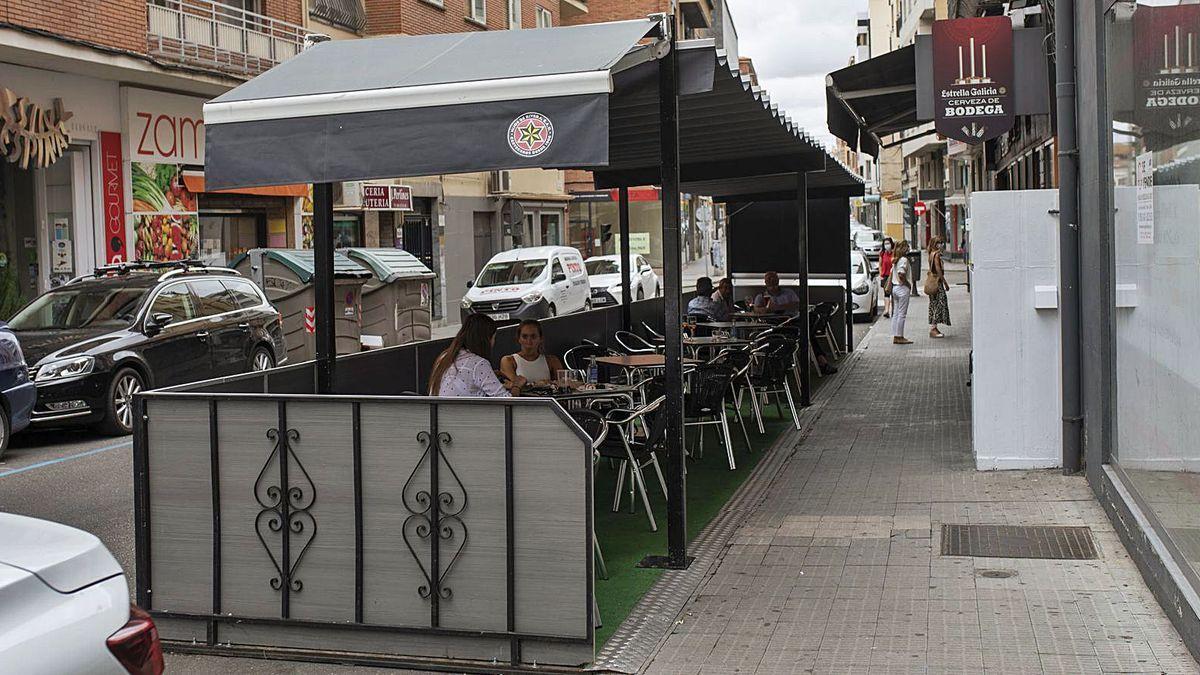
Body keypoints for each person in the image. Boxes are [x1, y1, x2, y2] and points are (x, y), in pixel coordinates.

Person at [428, 314, 518, 397]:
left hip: (439, 413)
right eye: (494, 338)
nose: (494, 342)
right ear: (486, 340)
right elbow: (505, 401)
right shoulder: (479, 364)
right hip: (466, 414)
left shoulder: (444, 357)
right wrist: (517, 386)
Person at [500, 319, 564, 387]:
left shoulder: (552, 360)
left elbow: (564, 383)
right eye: (525, 336)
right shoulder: (508, 361)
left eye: (533, 336)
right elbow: (513, 386)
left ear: (541, 338)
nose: (529, 340)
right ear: (518, 338)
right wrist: (542, 383)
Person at [926, 235, 951, 338]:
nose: (941, 245)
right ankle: (933, 328)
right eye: (938, 243)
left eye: (941, 242)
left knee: (934, 304)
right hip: (937, 283)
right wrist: (945, 282)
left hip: (933, 283)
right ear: (934, 244)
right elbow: (938, 269)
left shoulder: (931, 254)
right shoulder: (936, 255)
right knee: (940, 304)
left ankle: (934, 327)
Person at [890, 240, 913, 345]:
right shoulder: (903, 259)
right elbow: (901, 274)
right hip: (902, 288)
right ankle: (899, 336)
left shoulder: (895, 260)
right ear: (904, 248)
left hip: (895, 288)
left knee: (896, 313)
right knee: (902, 314)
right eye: (907, 246)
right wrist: (908, 284)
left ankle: (895, 335)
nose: (908, 248)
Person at [879, 237, 895, 318]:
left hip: (893, 275)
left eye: (888, 243)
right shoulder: (882, 254)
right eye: (885, 244)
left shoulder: (894, 253)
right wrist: (880, 275)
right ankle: (887, 310)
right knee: (886, 293)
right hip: (885, 276)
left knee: (894, 294)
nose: (887, 245)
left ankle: (894, 310)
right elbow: (880, 265)